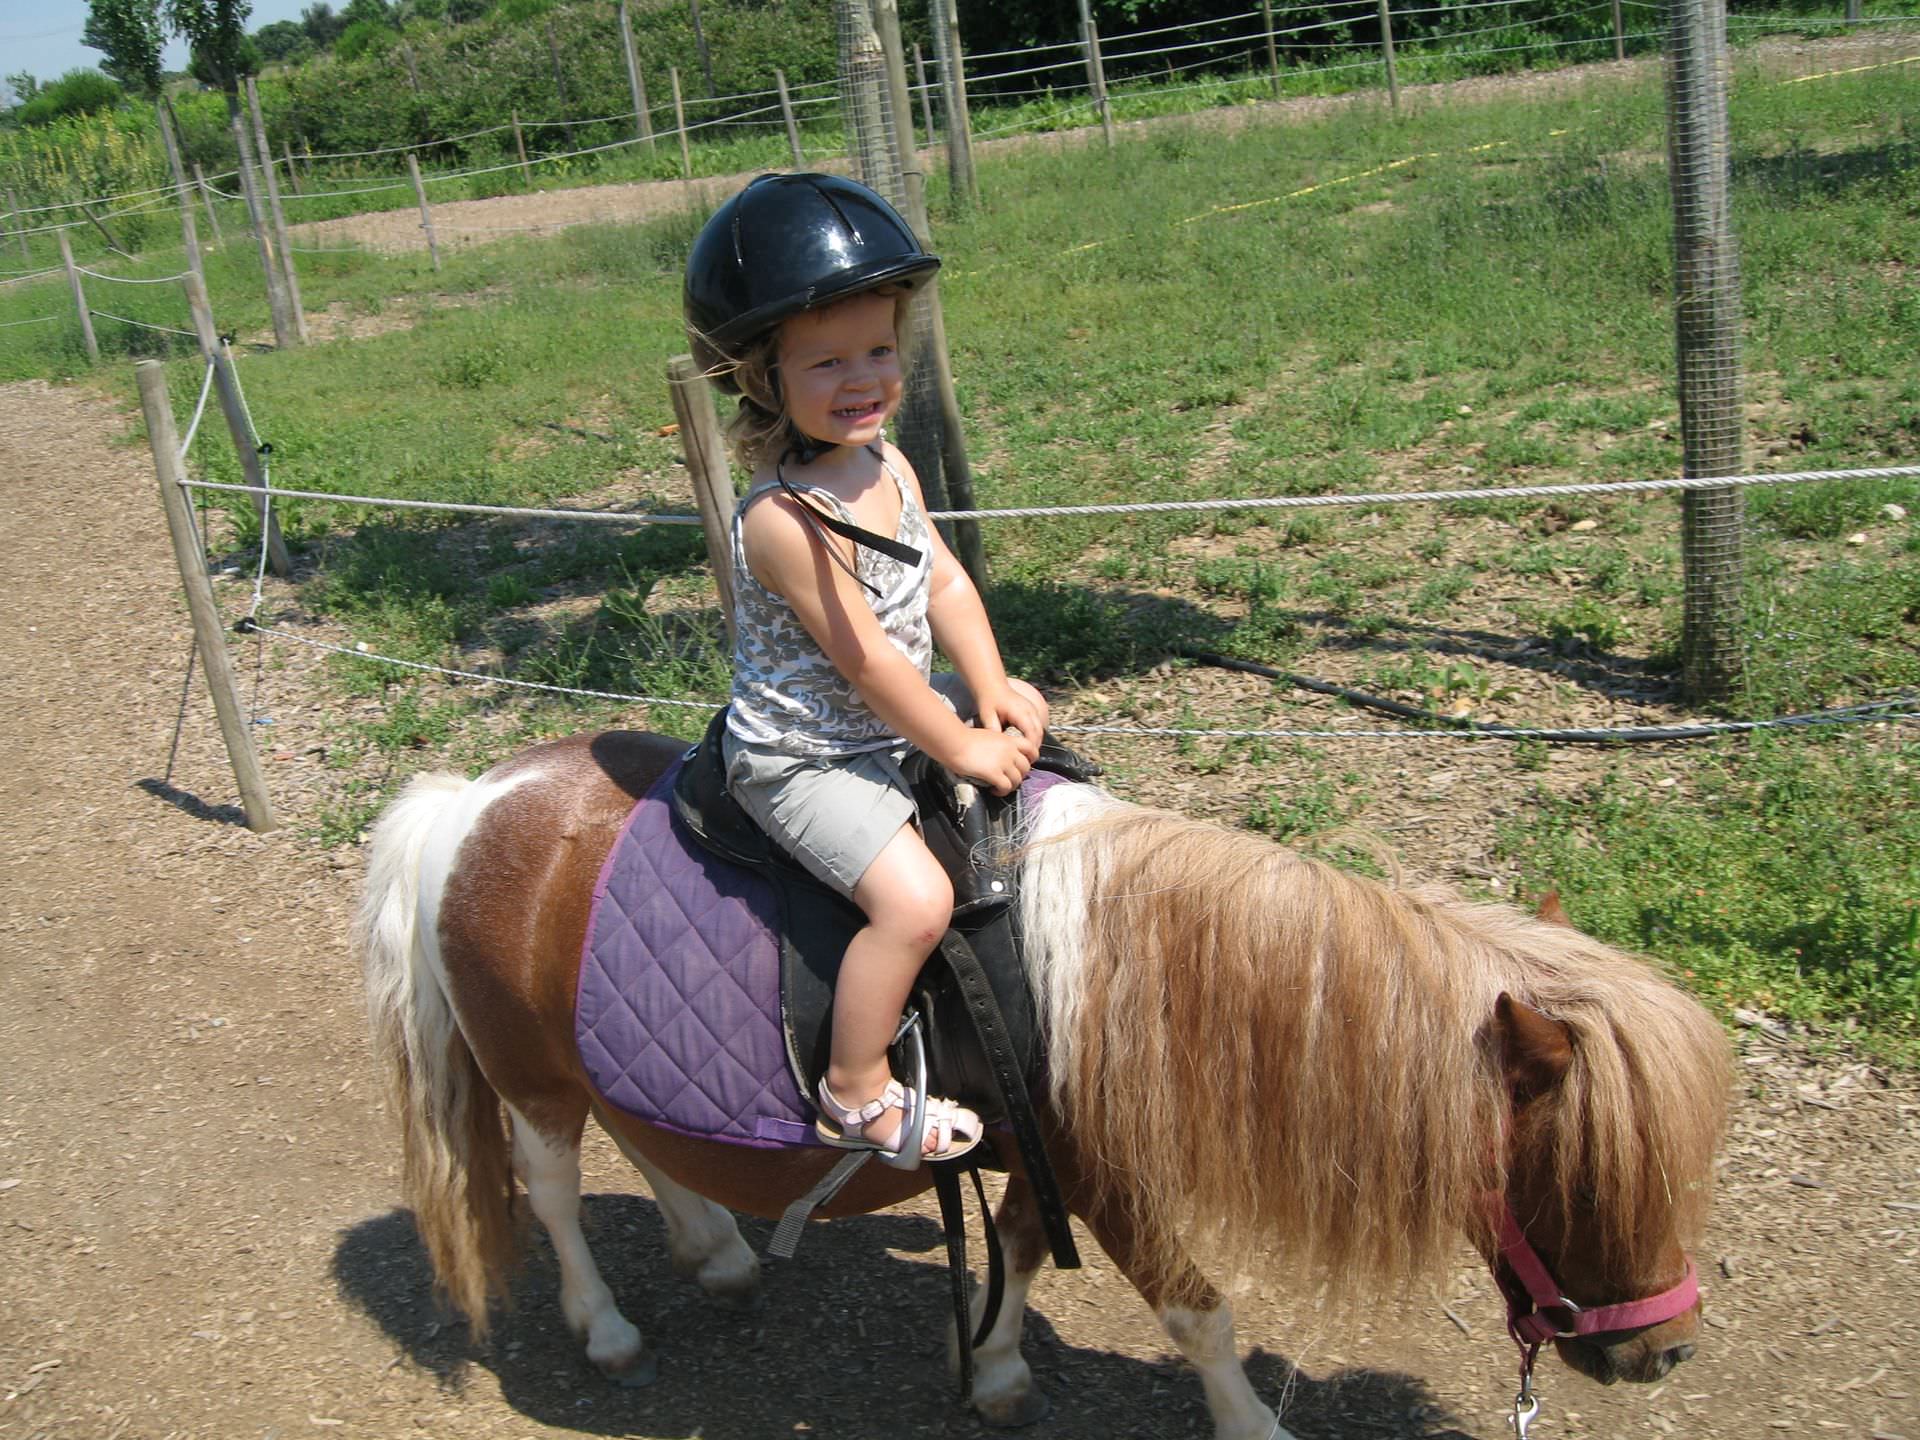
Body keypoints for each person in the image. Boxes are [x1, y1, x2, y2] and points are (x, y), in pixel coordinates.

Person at [685, 173, 1049, 1169]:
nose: (865, 376)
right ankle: (853, 1091)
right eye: (828, 360)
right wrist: (963, 747)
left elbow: (943, 586)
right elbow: (870, 663)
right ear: (763, 376)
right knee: (918, 902)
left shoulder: (888, 464)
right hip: (806, 759)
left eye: (881, 349)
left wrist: (992, 682)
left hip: (894, 726)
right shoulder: (782, 521)